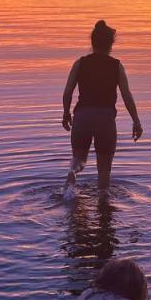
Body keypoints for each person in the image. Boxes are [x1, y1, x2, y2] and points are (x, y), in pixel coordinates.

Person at [62, 20, 142, 194]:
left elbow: (68, 92)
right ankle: (104, 210)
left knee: (78, 161)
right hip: (105, 120)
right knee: (104, 172)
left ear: (92, 42)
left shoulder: (80, 63)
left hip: (82, 118)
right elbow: (126, 95)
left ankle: (69, 189)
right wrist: (136, 121)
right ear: (111, 44)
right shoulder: (116, 66)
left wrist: (66, 113)